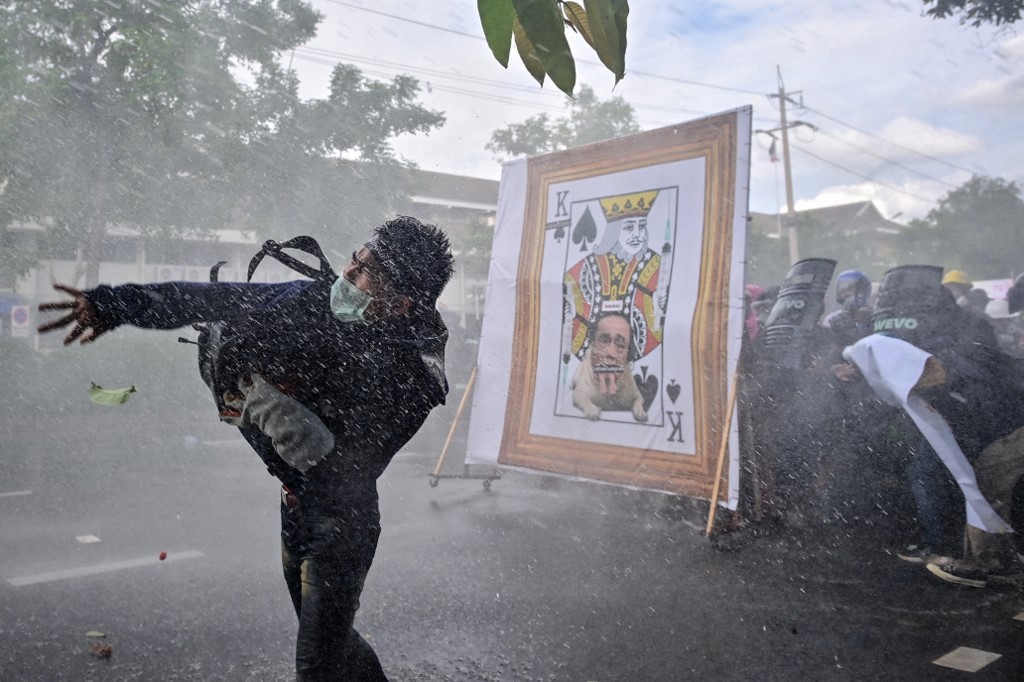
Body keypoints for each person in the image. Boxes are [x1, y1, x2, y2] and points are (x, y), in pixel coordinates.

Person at [38, 216, 455, 680]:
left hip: (341, 529)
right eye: (354, 260)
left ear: (399, 303)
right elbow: (213, 298)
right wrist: (114, 304)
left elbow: (354, 463)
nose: (347, 275)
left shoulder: (412, 373)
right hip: (296, 511)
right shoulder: (312, 303)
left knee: (318, 664)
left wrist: (292, 422)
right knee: (333, 645)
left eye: (364, 274)